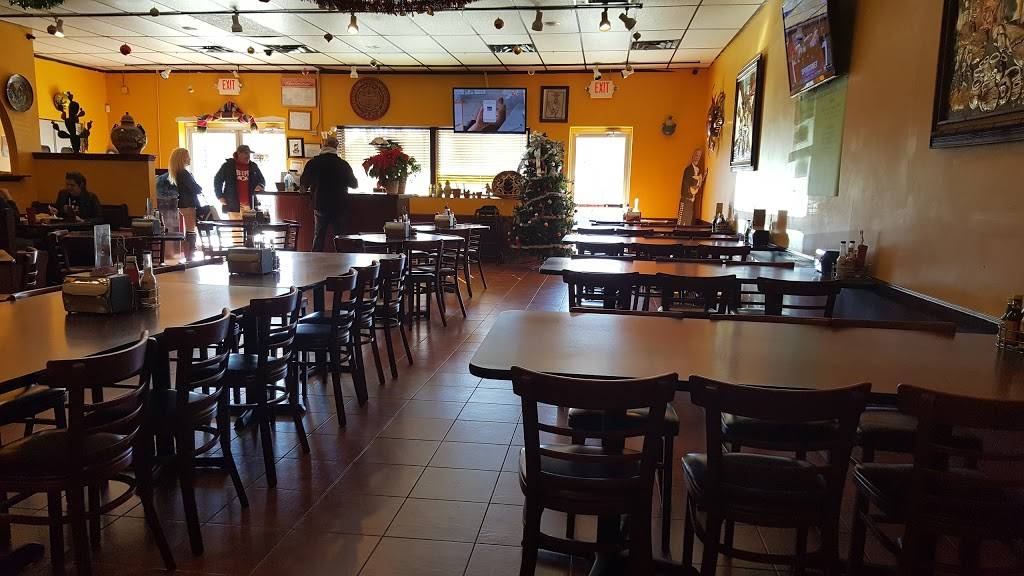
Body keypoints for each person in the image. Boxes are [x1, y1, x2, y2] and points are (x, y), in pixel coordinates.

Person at [301, 136, 358, 252]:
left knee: (319, 236)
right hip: (339, 205)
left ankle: (316, 260)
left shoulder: (313, 163)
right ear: (336, 147)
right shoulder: (343, 164)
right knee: (340, 238)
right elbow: (354, 184)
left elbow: (303, 186)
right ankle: (343, 260)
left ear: (324, 146)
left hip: (320, 204)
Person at [157, 148, 203, 260]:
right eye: (187, 156)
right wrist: (199, 187)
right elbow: (196, 188)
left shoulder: (176, 172)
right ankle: (190, 255)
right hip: (188, 204)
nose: (189, 158)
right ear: (182, 158)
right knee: (190, 231)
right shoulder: (184, 173)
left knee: (187, 230)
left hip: (182, 204)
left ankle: (187, 253)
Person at [213, 144, 265, 218]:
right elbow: (217, 181)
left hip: (250, 204)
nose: (248, 156)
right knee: (236, 225)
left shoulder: (253, 166)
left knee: (251, 225)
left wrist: (260, 185)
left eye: (249, 154)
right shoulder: (228, 165)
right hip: (233, 204)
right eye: (246, 153)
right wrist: (220, 196)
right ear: (239, 153)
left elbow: (262, 180)